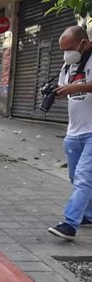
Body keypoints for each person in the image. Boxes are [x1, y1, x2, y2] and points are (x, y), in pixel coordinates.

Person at [47, 26, 92, 241]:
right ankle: (88, 215)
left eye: (70, 48)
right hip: (74, 132)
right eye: (63, 50)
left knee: (84, 178)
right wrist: (56, 92)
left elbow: (76, 89)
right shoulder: (68, 66)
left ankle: (70, 224)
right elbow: (64, 88)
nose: (67, 54)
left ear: (84, 43)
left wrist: (76, 88)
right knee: (78, 178)